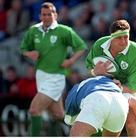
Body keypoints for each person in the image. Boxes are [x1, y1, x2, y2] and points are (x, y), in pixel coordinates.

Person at [20, 2, 87, 136]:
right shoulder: (33, 30)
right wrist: (30, 53)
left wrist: (70, 61)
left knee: (34, 110)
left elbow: (81, 47)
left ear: (55, 15)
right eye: (44, 14)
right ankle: (84, 126)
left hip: (56, 77)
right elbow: (23, 49)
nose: (46, 17)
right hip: (41, 75)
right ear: (40, 15)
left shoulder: (64, 31)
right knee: (57, 114)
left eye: (49, 14)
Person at [86, 19, 136, 136]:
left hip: (131, 86)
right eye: (119, 38)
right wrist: (94, 72)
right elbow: (89, 68)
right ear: (111, 38)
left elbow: (133, 88)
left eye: (126, 37)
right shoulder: (99, 45)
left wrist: (120, 88)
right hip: (109, 86)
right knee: (103, 121)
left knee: (131, 124)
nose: (124, 42)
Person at [64, 76, 129, 136]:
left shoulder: (73, 93)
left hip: (98, 98)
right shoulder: (107, 82)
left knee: (76, 134)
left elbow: (70, 120)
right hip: (121, 101)